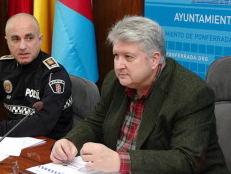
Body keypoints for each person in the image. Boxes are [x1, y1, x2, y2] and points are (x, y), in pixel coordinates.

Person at [50, 16, 229, 173]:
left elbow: (186, 160)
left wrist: (120, 161)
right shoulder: (115, 80)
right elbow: (96, 123)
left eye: (128, 57)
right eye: (116, 56)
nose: (119, 65)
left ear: (154, 60)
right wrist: (71, 142)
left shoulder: (191, 93)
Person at [0, 13, 73, 139]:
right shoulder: (3, 69)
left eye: (29, 38)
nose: (22, 46)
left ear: (39, 40)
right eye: (15, 39)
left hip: (49, 146)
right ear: (7, 41)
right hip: (11, 141)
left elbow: (44, 123)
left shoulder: (54, 75)